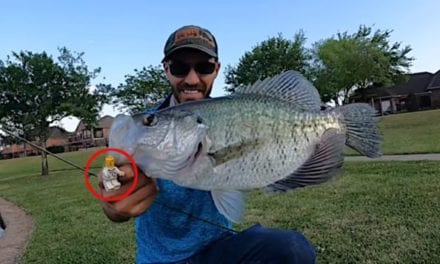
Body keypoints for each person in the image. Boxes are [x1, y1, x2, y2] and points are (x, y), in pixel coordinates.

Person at [99, 25, 316, 264]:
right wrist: (111, 203)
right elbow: (110, 166)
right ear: (166, 70)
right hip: (160, 259)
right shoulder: (144, 129)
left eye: (204, 67)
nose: (192, 79)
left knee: (292, 248)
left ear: (216, 70)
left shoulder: (237, 114)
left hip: (221, 249)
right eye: (180, 67)